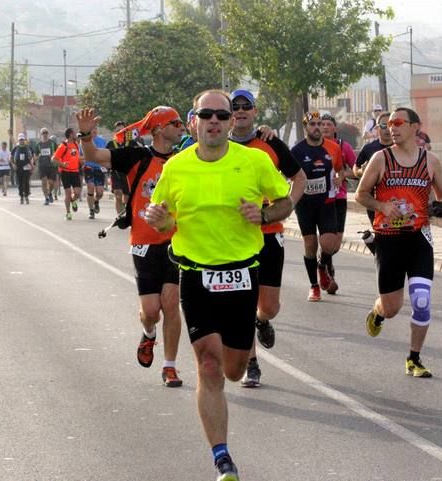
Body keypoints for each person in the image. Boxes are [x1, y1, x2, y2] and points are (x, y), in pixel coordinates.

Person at [144, 90, 292, 481]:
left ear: (231, 121)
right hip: (195, 274)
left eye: (221, 115)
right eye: (206, 115)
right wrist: (158, 219)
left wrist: (262, 214)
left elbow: (284, 203)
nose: (214, 121)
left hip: (243, 273)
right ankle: (222, 457)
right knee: (208, 366)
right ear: (193, 120)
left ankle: (248, 346)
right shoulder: (176, 168)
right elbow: (163, 221)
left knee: (232, 369)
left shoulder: (255, 160)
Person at [77, 105, 186, 388]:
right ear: (160, 129)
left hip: (176, 242)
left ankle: (170, 366)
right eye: (175, 123)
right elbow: (94, 156)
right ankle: (149, 333)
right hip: (143, 243)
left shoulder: (184, 159)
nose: (181, 127)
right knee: (151, 311)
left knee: (171, 303)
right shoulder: (136, 156)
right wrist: (86, 134)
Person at [355, 107, 442, 378]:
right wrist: (382, 205)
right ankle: (377, 311)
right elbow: (360, 195)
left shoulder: (431, 161)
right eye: (389, 124)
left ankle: (414, 358)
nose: (392, 127)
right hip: (388, 240)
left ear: (415, 127)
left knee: (422, 300)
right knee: (392, 309)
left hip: (418, 238)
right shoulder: (381, 158)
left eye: (399, 122)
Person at [229, 89, 306, 388]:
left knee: (269, 306)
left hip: (270, 233)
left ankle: (263, 321)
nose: (240, 111)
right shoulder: (220, 145)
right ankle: (252, 363)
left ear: (255, 111)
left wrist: (284, 209)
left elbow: (300, 178)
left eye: (245, 106)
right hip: (237, 235)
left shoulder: (270, 142)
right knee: (244, 301)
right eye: (234, 107)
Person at [291, 111, 344, 302]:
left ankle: (322, 266)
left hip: (327, 201)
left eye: (319, 123)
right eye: (312, 124)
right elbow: (288, 174)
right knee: (310, 244)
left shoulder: (333, 148)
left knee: (329, 243)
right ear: (305, 127)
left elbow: (340, 169)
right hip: (304, 204)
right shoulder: (297, 151)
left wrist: (340, 178)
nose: (317, 127)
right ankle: (314, 286)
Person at [320, 113, 357, 292]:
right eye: (322, 124)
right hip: (320, 199)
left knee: (336, 243)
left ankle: (322, 262)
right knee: (327, 237)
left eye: (328, 124)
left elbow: (358, 169)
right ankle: (327, 271)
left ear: (335, 128)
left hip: (339, 197)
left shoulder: (344, 147)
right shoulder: (314, 147)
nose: (325, 127)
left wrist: (343, 174)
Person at [354, 111, 393, 252]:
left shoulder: (401, 147)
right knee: (382, 237)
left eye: (391, 124)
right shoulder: (369, 148)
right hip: (374, 201)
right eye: (383, 125)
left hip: (398, 201)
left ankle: (376, 248)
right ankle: (374, 247)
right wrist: (362, 172)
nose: (387, 129)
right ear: (376, 128)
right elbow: (356, 168)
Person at [53, 128, 83, 220]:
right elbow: (53, 159)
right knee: (68, 193)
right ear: (70, 134)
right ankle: (68, 213)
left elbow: (77, 157)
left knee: (77, 193)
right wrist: (63, 164)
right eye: (74, 133)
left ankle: (73, 200)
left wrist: (82, 161)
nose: (75, 135)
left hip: (75, 171)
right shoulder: (63, 146)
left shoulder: (76, 144)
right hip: (65, 172)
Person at [107, 121, 133, 214]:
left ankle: (125, 211)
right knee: (118, 194)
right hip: (115, 173)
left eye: (122, 130)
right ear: (115, 132)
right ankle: (119, 217)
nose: (120, 132)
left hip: (128, 174)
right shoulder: (111, 144)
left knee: (127, 197)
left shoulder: (131, 142)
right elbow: (106, 157)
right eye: (118, 130)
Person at [82, 127, 108, 219]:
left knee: (100, 192)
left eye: (95, 129)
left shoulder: (102, 140)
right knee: (90, 187)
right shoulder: (85, 141)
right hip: (89, 167)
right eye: (92, 129)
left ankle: (96, 201)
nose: (94, 130)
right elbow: (81, 155)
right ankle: (91, 211)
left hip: (99, 168)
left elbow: (106, 153)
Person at [34, 128, 58, 205]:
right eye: (43, 133)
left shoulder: (52, 143)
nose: (45, 134)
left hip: (51, 165)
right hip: (42, 166)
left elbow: (58, 153)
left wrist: (53, 156)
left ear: (48, 134)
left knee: (51, 183)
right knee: (44, 182)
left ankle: (50, 192)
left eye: (46, 133)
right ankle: (46, 198)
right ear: (41, 134)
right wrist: (37, 157)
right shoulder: (38, 145)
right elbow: (35, 156)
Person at [11, 133, 34, 204]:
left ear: (24, 140)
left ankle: (26, 196)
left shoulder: (28, 147)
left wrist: (32, 165)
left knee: (26, 182)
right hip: (18, 167)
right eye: (20, 140)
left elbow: (32, 157)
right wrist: (13, 165)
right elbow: (11, 158)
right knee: (20, 183)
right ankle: (21, 196)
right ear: (18, 140)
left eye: (22, 139)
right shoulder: (16, 148)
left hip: (26, 166)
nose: (21, 141)